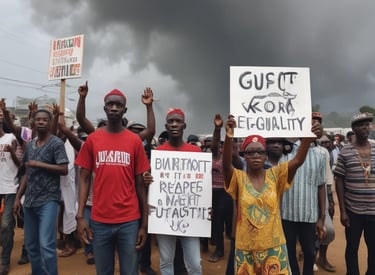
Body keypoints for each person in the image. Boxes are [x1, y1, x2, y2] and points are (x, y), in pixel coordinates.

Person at [222, 114, 319, 274]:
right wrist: (228, 136)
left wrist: (307, 139)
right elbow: (226, 166)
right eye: (250, 153)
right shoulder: (238, 178)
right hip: (246, 249)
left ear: (266, 155)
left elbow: (297, 162)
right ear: (244, 156)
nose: (255, 156)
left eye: (260, 152)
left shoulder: (276, 175)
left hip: (274, 248)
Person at [75, 88, 150, 275]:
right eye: (111, 104)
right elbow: (83, 179)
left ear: (125, 110)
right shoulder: (93, 140)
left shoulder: (134, 141)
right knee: (104, 271)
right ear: (105, 108)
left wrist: (144, 224)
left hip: (129, 221)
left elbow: (140, 185)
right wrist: (80, 216)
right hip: (99, 221)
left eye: (119, 105)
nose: (114, 108)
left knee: (130, 271)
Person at [13, 109, 69, 275]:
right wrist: (18, 198)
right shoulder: (30, 145)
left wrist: (39, 164)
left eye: (45, 119)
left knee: (46, 244)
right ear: (33, 122)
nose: (41, 122)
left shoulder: (56, 143)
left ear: (50, 122)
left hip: (48, 200)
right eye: (38, 119)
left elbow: (64, 169)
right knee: (31, 245)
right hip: (30, 201)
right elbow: (27, 174)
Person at [155, 108, 202, 275]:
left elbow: (201, 186)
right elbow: (154, 186)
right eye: (171, 121)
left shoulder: (196, 152)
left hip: (190, 216)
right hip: (165, 216)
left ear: (184, 125)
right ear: (166, 125)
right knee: (166, 261)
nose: (174, 124)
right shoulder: (158, 153)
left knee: (195, 264)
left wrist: (205, 207)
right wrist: (149, 180)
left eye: (178, 121)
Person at [280, 112, 327, 275]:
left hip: (309, 215)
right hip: (286, 214)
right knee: (289, 252)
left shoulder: (319, 156)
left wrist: (321, 218)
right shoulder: (284, 155)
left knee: (310, 252)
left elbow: (321, 186)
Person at [334, 112, 375, 275]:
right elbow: (339, 180)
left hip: (374, 211)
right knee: (352, 248)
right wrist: (343, 211)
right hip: (353, 211)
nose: (364, 127)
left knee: (373, 249)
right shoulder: (345, 151)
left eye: (367, 124)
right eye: (360, 125)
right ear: (353, 129)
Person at [208, 114, 232, 263]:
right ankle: (219, 249)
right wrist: (217, 129)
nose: (220, 147)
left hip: (225, 193)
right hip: (211, 193)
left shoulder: (228, 157)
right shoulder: (213, 156)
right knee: (215, 221)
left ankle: (223, 248)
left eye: (223, 144)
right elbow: (213, 146)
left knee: (221, 221)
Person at [0, 109, 21, 275]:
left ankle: (4, 261)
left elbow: (19, 164)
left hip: (9, 188)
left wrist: (12, 152)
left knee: (7, 224)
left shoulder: (11, 138)